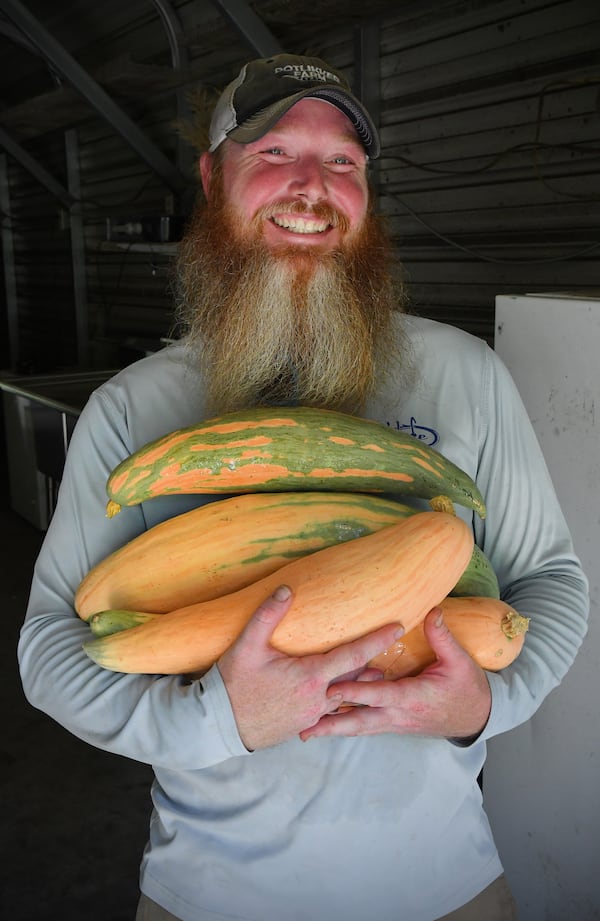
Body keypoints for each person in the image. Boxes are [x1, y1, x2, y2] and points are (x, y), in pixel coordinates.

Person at [19, 53, 588, 921]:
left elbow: (553, 583)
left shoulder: (464, 375)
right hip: (205, 895)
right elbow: (51, 654)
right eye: (275, 151)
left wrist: (485, 705)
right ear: (213, 177)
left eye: (343, 162)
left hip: (449, 884)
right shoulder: (134, 411)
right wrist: (220, 720)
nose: (311, 186)